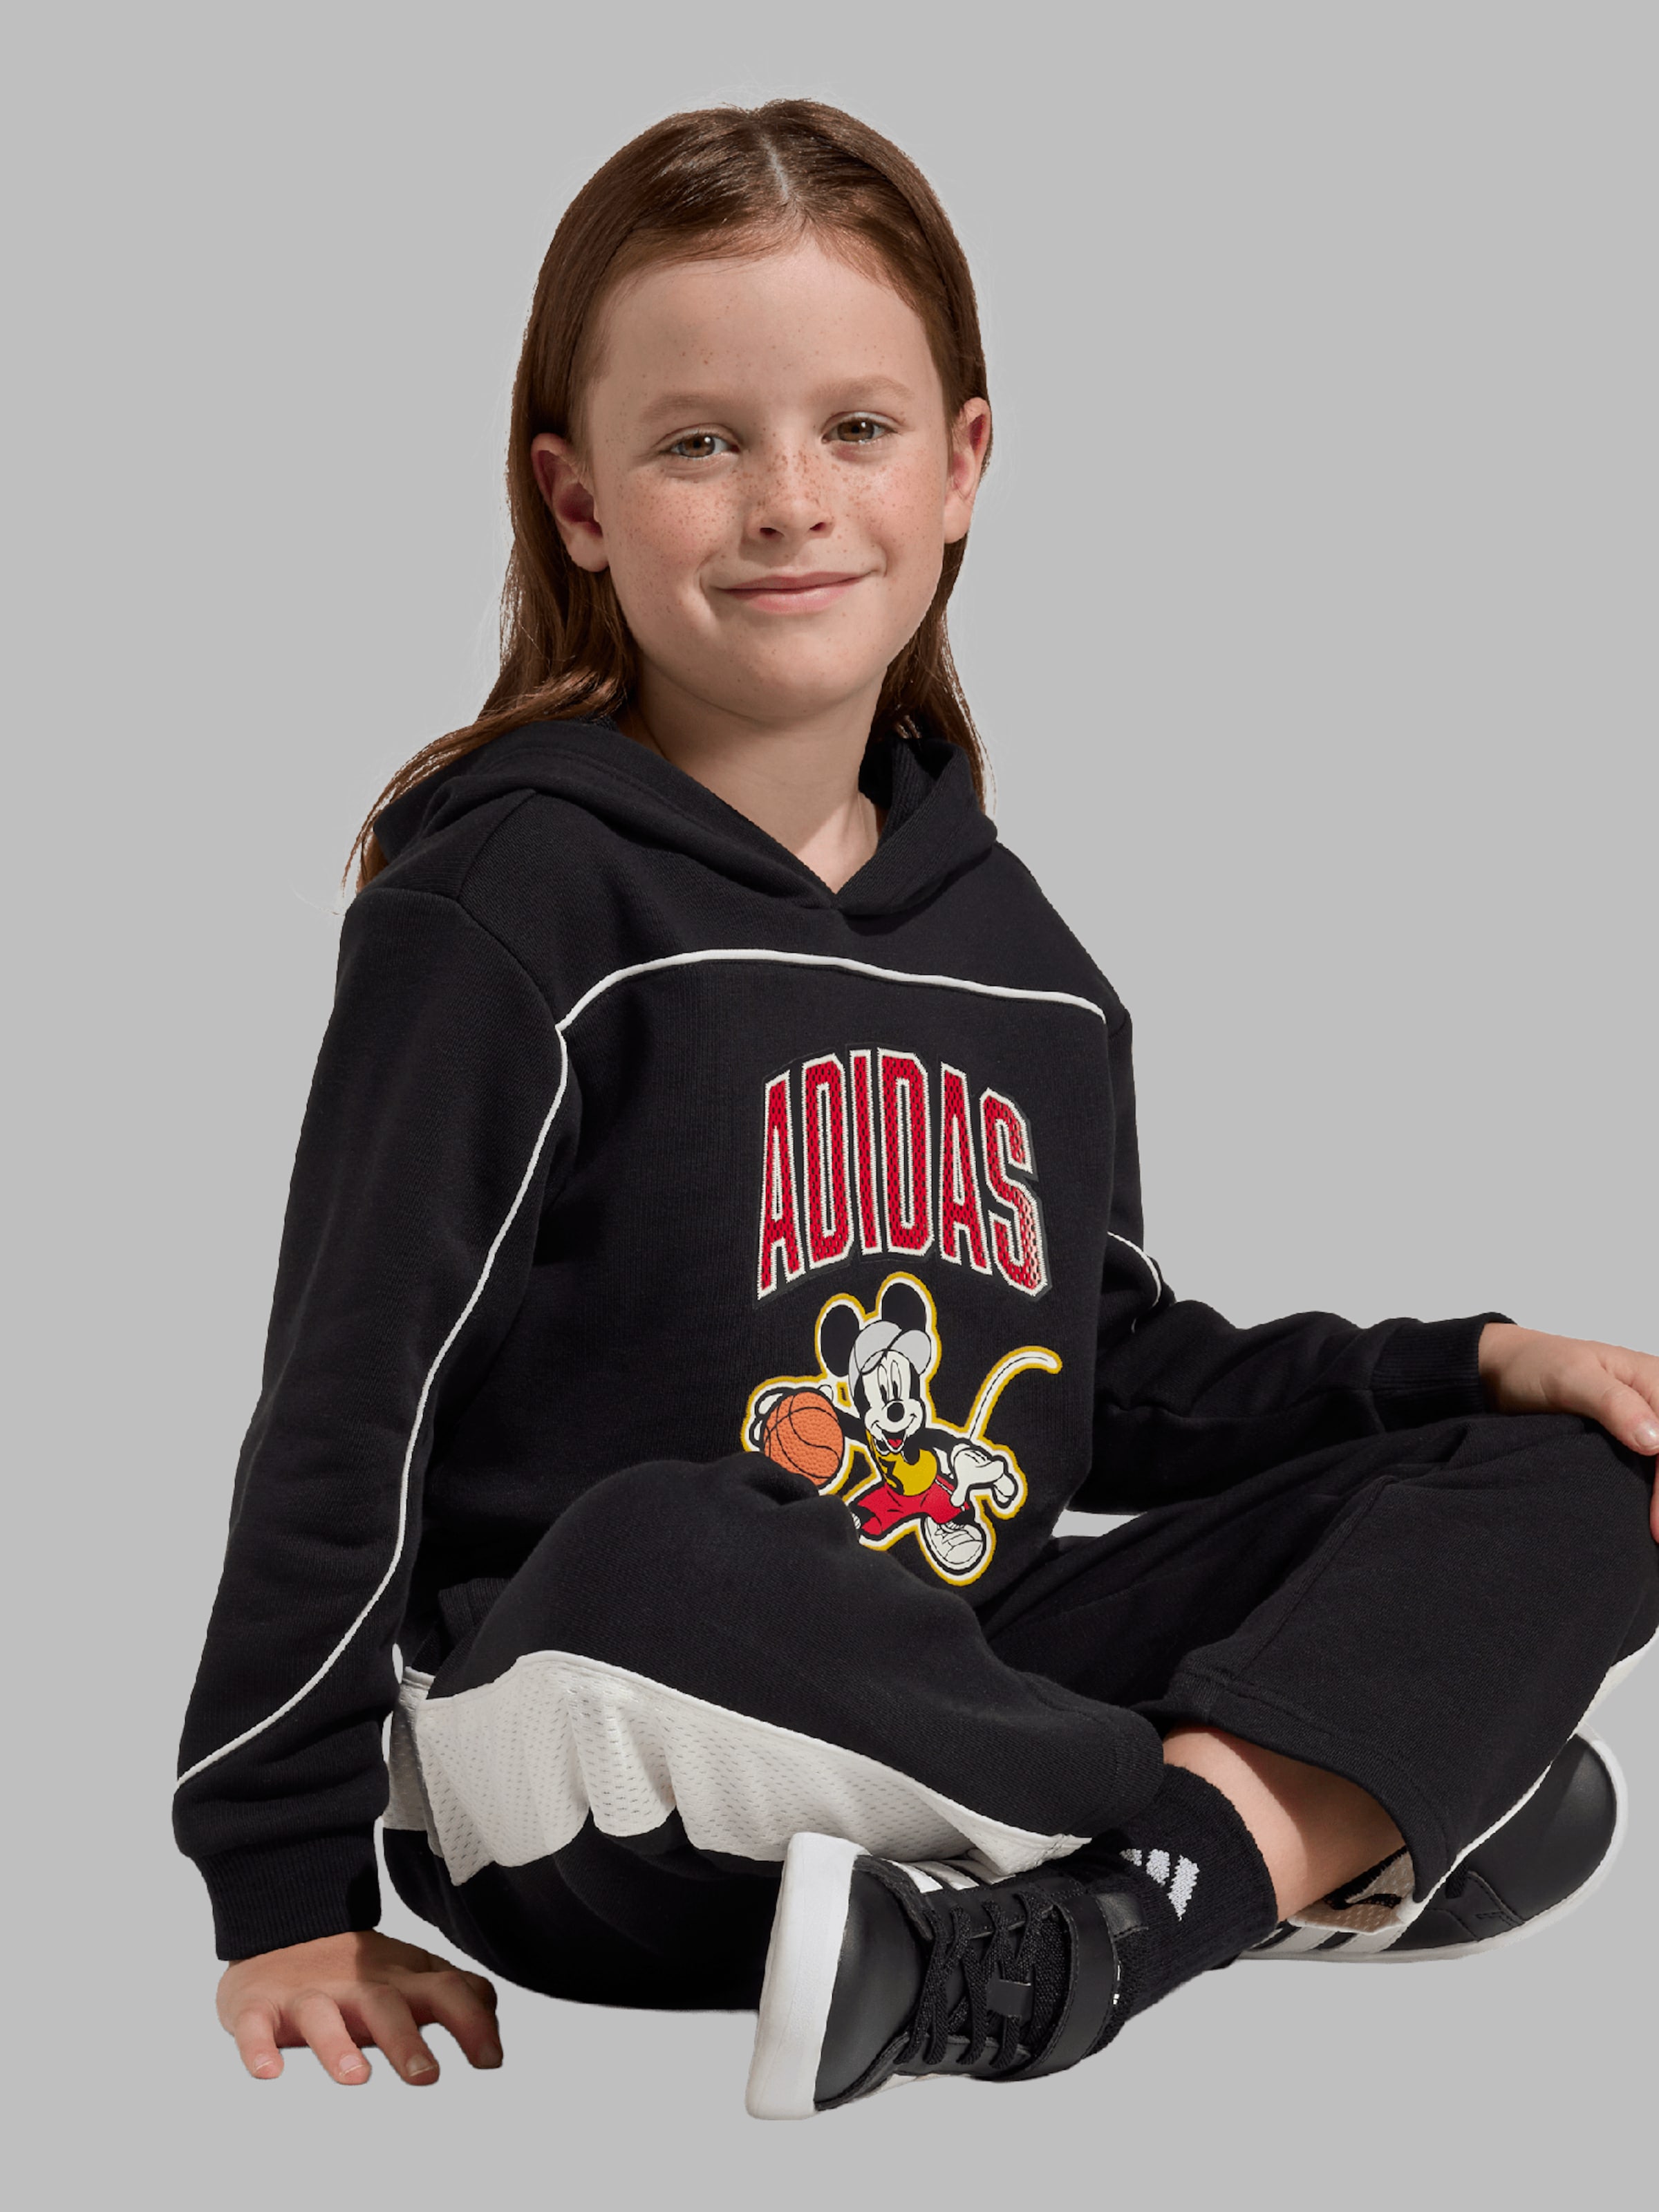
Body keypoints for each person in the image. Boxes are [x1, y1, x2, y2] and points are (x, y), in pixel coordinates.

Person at [176, 100, 1659, 2119]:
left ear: (961, 468)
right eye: (701, 443)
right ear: (580, 502)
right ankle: (1275, 1830)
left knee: (1580, 1478)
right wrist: (278, 1893)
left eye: (857, 429)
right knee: (673, 1550)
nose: (789, 500)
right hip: (608, 1738)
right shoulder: (513, 903)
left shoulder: (1030, 961)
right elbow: (355, 1397)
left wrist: (1470, 1367)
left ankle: (1085, 1934)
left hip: (945, 1687)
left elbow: (1114, 1381)